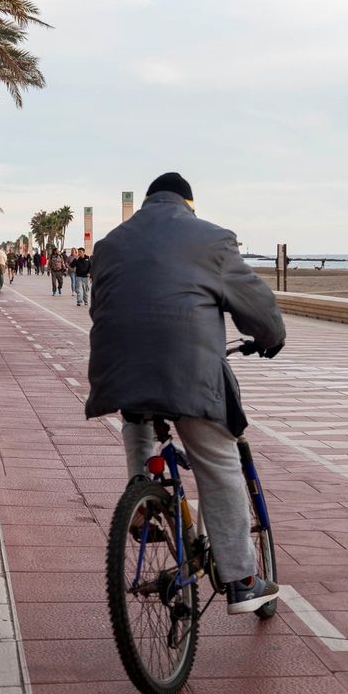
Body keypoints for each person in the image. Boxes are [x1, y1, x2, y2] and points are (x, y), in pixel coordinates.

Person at [86, 171, 286, 614]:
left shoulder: (110, 244)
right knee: (218, 462)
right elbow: (254, 304)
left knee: (136, 416)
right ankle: (242, 579)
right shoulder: (213, 239)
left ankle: (142, 498)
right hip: (189, 371)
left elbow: (102, 305)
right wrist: (270, 336)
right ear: (188, 204)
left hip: (118, 369)